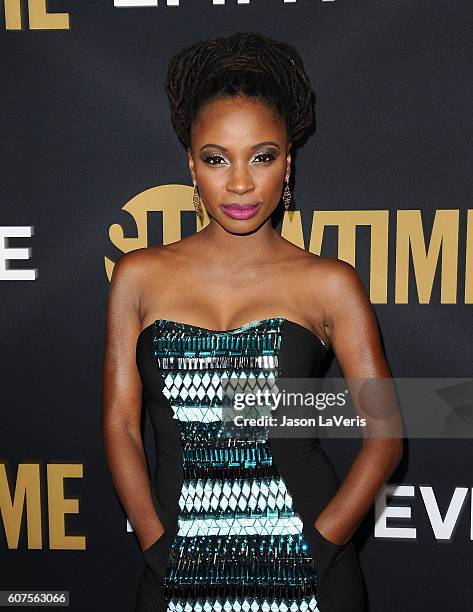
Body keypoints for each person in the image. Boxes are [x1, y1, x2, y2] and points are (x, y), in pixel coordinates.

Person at [102, 31, 403, 612]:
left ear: (287, 162)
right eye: (217, 158)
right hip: (175, 569)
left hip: (310, 570)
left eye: (261, 156)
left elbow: (386, 432)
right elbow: (119, 422)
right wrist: (155, 543)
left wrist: (322, 542)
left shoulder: (329, 282)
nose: (240, 183)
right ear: (192, 164)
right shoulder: (138, 276)